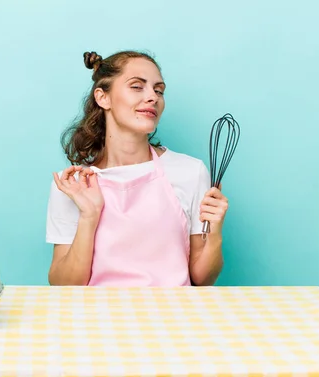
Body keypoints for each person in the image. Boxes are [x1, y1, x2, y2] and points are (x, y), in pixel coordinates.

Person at [45, 50, 229, 287]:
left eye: (159, 90)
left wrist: (214, 234)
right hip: (97, 319)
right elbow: (64, 286)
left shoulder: (190, 172)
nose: (153, 97)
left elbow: (202, 280)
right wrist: (89, 216)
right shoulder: (73, 185)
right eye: (137, 86)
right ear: (103, 98)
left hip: (173, 318)